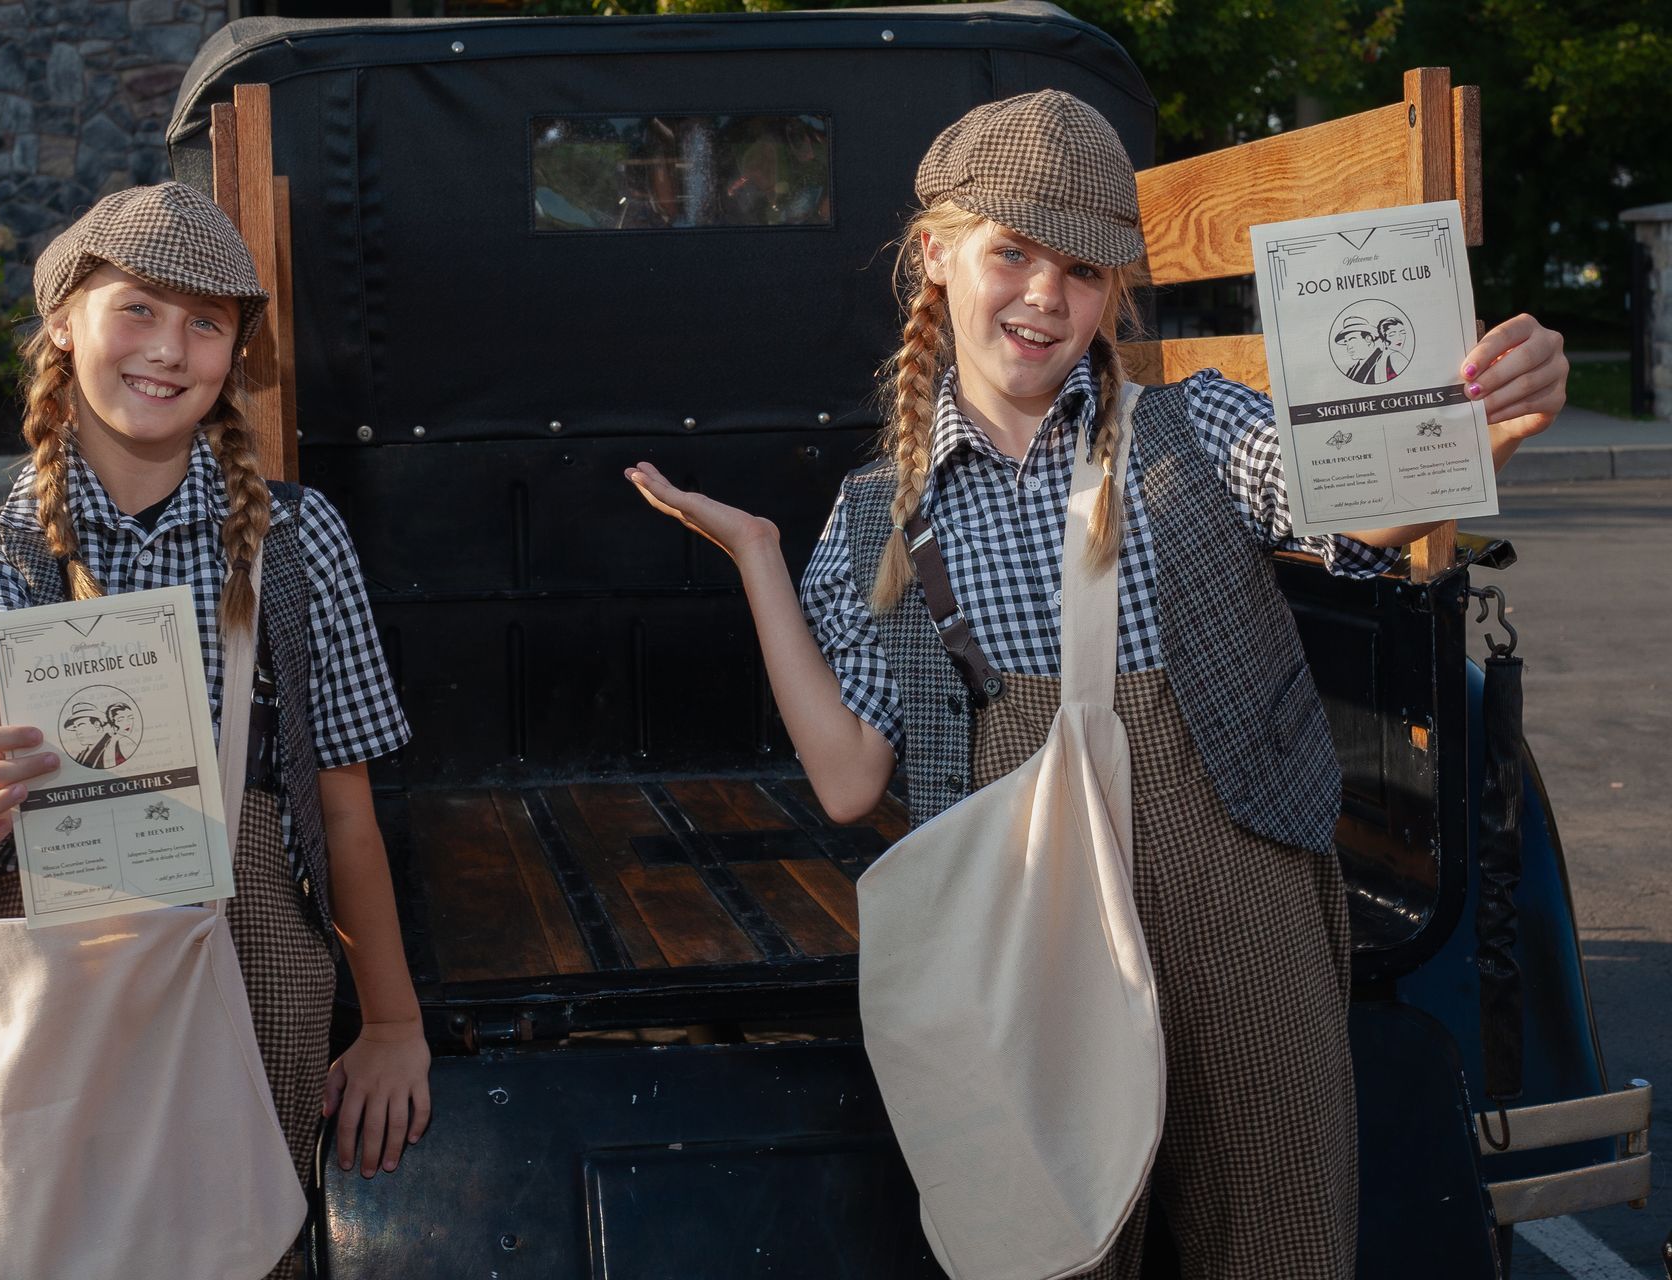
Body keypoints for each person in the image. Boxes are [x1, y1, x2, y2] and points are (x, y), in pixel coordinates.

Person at [625, 90, 1565, 1278]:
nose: (1043, 296)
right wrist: (761, 556)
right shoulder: (880, 518)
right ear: (934, 257)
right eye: (1009, 252)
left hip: (1242, 892)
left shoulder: (1199, 428)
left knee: (1280, 1234)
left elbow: (1354, 500)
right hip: (1031, 925)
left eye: (1081, 268)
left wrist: (1486, 427)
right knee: (1056, 1244)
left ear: (1114, 291)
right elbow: (851, 777)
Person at [0, 183, 431, 1278]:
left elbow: (346, 814)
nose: (170, 348)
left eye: (207, 322)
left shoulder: (297, 540)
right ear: (66, 321)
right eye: (140, 308)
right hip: (72, 976)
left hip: (255, 973)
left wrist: (391, 1021)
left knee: (249, 1249)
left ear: (234, 354)